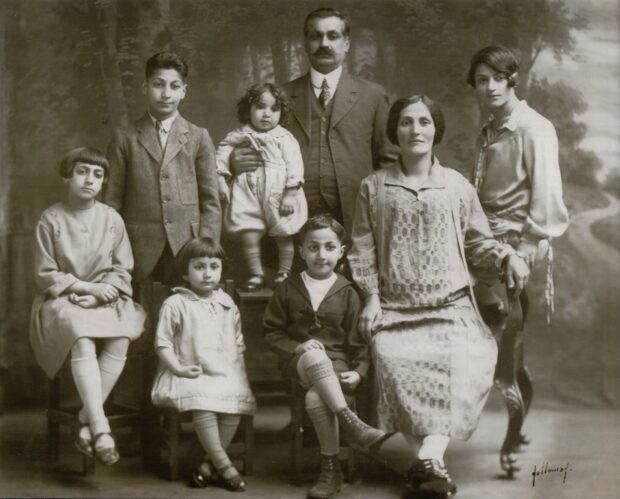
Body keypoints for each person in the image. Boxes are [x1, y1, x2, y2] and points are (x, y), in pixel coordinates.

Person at [347, 95, 530, 498]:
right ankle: (433, 465)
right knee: (394, 362)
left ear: (436, 130)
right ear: (395, 131)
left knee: (469, 359)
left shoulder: (457, 187)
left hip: (451, 308)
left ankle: (427, 462)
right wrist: (372, 298)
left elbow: (479, 244)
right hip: (395, 309)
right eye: (407, 122)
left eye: (424, 122)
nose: (415, 130)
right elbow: (361, 248)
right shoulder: (374, 187)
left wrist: (508, 256)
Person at [466, 45, 569, 472]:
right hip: (487, 237)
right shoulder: (492, 128)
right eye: (481, 80)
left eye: (496, 78)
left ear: (513, 79)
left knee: (505, 337)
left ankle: (509, 440)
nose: (488, 87)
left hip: (514, 243)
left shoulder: (533, 128)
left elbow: (546, 203)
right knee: (510, 342)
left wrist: (521, 254)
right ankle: (514, 421)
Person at [230, 8, 395, 235]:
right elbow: (253, 148)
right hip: (289, 214)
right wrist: (236, 160)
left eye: (333, 36)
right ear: (306, 43)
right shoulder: (278, 97)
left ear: (346, 43)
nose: (324, 43)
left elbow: (388, 162)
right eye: (316, 36)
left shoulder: (373, 95)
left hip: (356, 216)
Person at [29, 147, 146, 465]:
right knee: (81, 336)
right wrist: (83, 287)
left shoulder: (111, 219)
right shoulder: (51, 219)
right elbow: (45, 273)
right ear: (67, 176)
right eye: (82, 172)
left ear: (104, 182)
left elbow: (123, 268)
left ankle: (86, 419)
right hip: (62, 299)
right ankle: (101, 426)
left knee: (121, 335)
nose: (89, 180)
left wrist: (100, 292)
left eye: (97, 175)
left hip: (104, 297)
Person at [263, 214, 386, 499]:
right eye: (314, 247)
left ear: (341, 252)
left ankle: (330, 471)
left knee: (315, 398)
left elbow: (360, 343)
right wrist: (297, 347)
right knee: (315, 356)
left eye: (330, 247)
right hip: (299, 367)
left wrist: (360, 372)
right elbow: (272, 333)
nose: (321, 255)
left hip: (338, 368)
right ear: (301, 250)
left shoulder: (348, 292)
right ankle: (350, 422)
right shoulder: (287, 288)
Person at [104, 51, 221, 287]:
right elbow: (111, 203)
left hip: (188, 247)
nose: (166, 94)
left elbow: (210, 202)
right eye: (158, 85)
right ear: (145, 87)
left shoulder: (198, 137)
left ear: (183, 91)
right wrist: (112, 252)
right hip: (137, 249)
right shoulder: (124, 138)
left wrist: (205, 252)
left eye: (174, 86)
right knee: (142, 316)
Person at [151, 237, 256, 492]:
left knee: (233, 400)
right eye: (199, 267)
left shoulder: (226, 303)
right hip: (187, 371)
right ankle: (225, 466)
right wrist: (177, 368)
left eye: (214, 266)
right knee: (204, 404)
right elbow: (162, 343)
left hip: (223, 371)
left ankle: (209, 465)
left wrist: (238, 375)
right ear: (185, 273)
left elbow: (238, 343)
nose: (208, 273)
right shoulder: (175, 303)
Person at [216, 83, 308, 291]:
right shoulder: (240, 134)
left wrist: (290, 194)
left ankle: (284, 272)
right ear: (248, 109)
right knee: (248, 231)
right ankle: (257, 273)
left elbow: (295, 166)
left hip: (277, 191)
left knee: (283, 232)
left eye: (274, 109)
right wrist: (221, 177)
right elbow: (222, 151)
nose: (267, 114)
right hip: (247, 189)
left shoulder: (284, 137)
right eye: (260, 107)